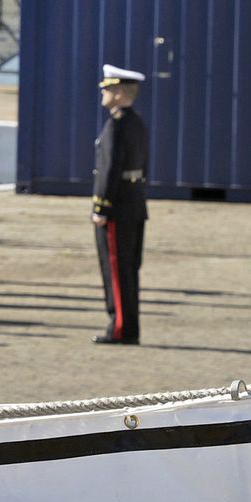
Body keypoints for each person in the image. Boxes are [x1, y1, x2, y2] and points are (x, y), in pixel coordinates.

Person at [92, 64, 149, 345]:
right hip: (135, 202)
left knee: (115, 268)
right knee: (129, 269)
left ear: (117, 92)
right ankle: (129, 327)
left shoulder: (116, 124)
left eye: (107, 88)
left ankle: (120, 328)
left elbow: (109, 169)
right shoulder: (136, 121)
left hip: (117, 206)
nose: (102, 92)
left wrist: (101, 206)